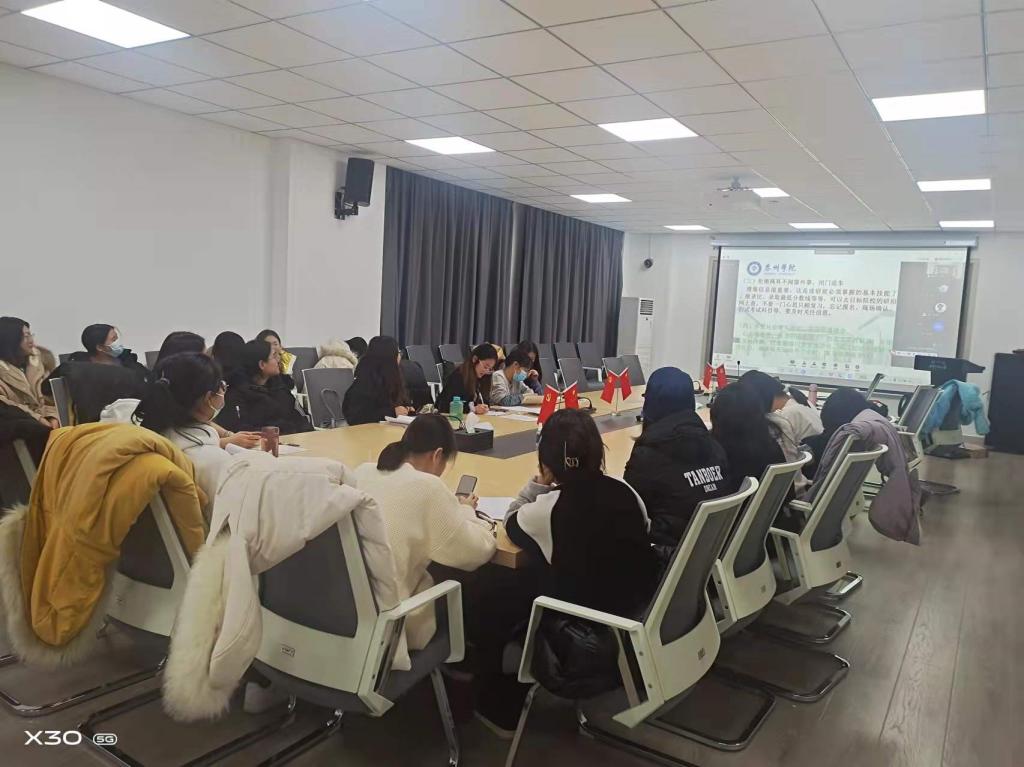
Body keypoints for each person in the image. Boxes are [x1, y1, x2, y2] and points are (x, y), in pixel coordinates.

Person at [477, 409, 659, 733]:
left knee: (496, 588)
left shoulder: (548, 510)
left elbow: (512, 519)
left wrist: (538, 484)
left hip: (580, 644)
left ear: (546, 463)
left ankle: (499, 704)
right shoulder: (627, 492)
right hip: (636, 622)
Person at [353, 414, 496, 653]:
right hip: (391, 626)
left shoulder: (362, 472)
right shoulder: (428, 487)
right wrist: (466, 512)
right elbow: (477, 552)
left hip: (348, 616)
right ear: (437, 455)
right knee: (477, 586)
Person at [134, 353, 259, 515]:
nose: (224, 389)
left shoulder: (158, 436)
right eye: (221, 384)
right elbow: (241, 517)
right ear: (208, 398)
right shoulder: (212, 460)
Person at [623, 367, 732, 545]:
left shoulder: (649, 455)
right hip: (711, 546)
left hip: (668, 550)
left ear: (650, 403)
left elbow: (631, 508)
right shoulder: (714, 445)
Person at [216, 340, 311, 435]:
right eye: (274, 356)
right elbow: (243, 431)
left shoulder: (279, 386)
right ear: (262, 364)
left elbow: (297, 417)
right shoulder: (236, 394)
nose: (279, 360)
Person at [710, 383, 787, 490]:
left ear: (716, 413)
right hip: (769, 500)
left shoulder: (717, 453)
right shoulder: (771, 445)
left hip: (738, 500)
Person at [737, 371, 823, 467]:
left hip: (806, 469)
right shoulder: (800, 402)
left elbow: (787, 462)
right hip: (814, 465)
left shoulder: (784, 416)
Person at [0, 317, 59, 428]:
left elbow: (52, 398)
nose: (31, 340)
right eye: (25, 336)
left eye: (30, 335)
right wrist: (38, 418)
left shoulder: (40, 363)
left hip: (50, 425)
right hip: (19, 429)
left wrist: (53, 417)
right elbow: (6, 407)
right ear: (10, 340)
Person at [342, 336, 413, 425]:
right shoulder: (365, 382)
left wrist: (406, 408)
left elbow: (398, 402)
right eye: (398, 353)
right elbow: (356, 417)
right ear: (389, 357)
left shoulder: (393, 377)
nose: (400, 356)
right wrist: (392, 412)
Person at [435, 343, 497, 415]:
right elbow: (448, 406)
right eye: (485, 367)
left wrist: (484, 407)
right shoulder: (458, 376)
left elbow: (484, 401)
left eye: (490, 369)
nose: (486, 371)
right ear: (475, 359)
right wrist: (473, 409)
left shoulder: (483, 378)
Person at [65, 324, 148, 378]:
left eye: (117, 338)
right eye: (113, 339)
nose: (118, 342)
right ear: (100, 347)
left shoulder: (129, 362)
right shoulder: (84, 373)